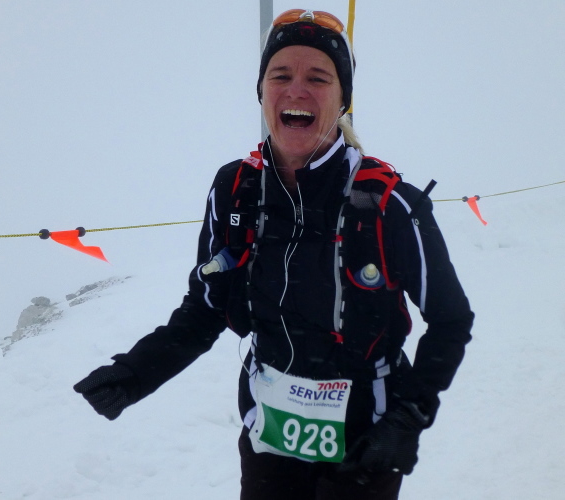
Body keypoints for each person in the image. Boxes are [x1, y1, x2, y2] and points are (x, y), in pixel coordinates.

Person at [74, 9, 474, 500]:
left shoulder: (389, 205)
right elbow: (206, 308)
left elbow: (450, 319)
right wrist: (135, 372)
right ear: (261, 91)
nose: (296, 90)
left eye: (318, 78)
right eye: (280, 75)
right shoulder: (235, 190)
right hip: (270, 433)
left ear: (343, 99)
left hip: (366, 441)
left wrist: (408, 418)